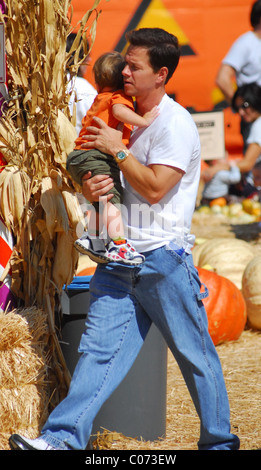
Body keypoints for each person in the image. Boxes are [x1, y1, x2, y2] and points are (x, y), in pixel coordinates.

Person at [9, 27, 240, 451]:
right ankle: (60, 440)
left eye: (135, 66)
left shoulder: (176, 124)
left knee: (195, 358)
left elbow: (154, 188)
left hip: (162, 260)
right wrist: (91, 187)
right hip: (118, 259)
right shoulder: (119, 112)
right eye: (126, 63)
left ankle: (219, 443)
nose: (125, 72)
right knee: (97, 357)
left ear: (162, 74)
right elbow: (101, 177)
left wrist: (118, 150)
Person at [67, 51, 158, 265]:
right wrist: (143, 120)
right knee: (111, 198)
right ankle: (118, 244)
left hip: (79, 155)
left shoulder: (100, 98)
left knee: (101, 199)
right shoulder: (119, 97)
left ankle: (94, 238)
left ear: (98, 82)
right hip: (96, 155)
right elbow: (119, 111)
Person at [216, 0, 261, 147]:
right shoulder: (246, 43)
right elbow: (222, 78)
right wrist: (244, 108)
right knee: (254, 165)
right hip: (255, 120)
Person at [203, 82, 261, 198]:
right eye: (237, 108)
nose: (241, 112)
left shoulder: (258, 126)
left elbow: (247, 164)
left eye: (244, 106)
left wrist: (218, 168)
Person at [66, 33, 97, 136]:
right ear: (79, 58)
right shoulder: (85, 88)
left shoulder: (43, 84)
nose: (89, 60)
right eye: (87, 56)